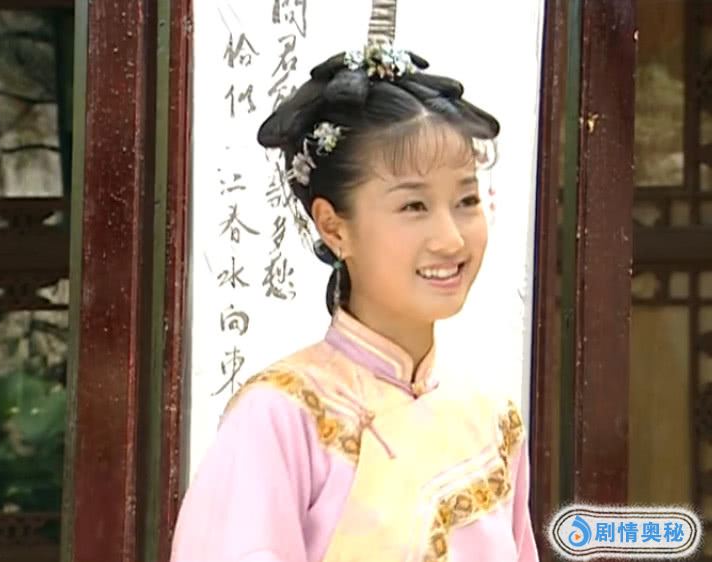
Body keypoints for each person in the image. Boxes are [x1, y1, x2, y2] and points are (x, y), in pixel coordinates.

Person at [170, 42, 539, 562]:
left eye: (466, 201)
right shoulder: (283, 415)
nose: (451, 238)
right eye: (413, 205)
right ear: (333, 226)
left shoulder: (493, 420)